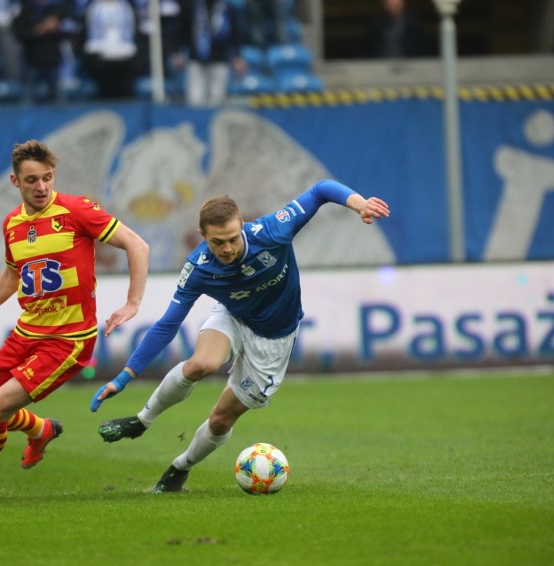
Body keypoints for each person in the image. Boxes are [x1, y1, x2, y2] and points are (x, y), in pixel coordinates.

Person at [90, 179, 390, 492]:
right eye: (218, 242)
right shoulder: (198, 268)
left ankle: (181, 467)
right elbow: (168, 324)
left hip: (274, 340)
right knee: (200, 365)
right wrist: (124, 377)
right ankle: (141, 421)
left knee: (220, 420)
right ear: (202, 236)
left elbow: (321, 190)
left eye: (233, 238)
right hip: (234, 316)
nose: (228, 248)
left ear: (242, 226)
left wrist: (358, 202)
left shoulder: (274, 231)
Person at [0, 140, 149, 503]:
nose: (42, 186)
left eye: (47, 178)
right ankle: (42, 429)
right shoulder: (13, 224)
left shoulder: (77, 211)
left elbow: (137, 245)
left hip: (68, 340)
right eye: (32, 179)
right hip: (26, 332)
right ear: (15, 182)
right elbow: (10, 277)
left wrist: (132, 303)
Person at [172, 0, 246, 107]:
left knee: (217, 100)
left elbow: (235, 34)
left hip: (220, 60)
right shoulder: (193, 6)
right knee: (195, 100)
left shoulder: (226, 7)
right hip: (196, 59)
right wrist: (178, 52)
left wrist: (237, 56)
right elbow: (182, 30)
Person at [81, 0, 139, 100]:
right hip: (100, 61)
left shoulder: (127, 6)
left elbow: (135, 33)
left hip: (125, 60)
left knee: (125, 97)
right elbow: (85, 33)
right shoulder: (93, 7)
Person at [363, 0, 428, 59]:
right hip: (380, 65)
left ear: (403, 3)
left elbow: (421, 48)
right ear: (384, 4)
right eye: (390, 3)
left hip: (408, 65)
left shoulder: (413, 25)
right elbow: (368, 49)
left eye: (396, 3)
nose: (394, 6)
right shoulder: (375, 26)